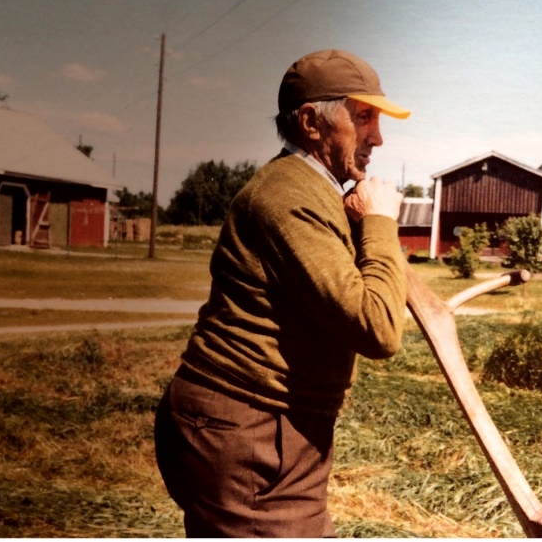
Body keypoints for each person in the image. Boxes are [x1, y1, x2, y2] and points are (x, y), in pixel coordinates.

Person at [153, 49, 411, 537]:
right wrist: (379, 222)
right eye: (363, 118)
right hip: (247, 430)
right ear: (312, 122)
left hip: (271, 427)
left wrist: (361, 223)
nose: (377, 137)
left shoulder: (316, 192)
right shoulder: (287, 196)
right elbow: (377, 329)